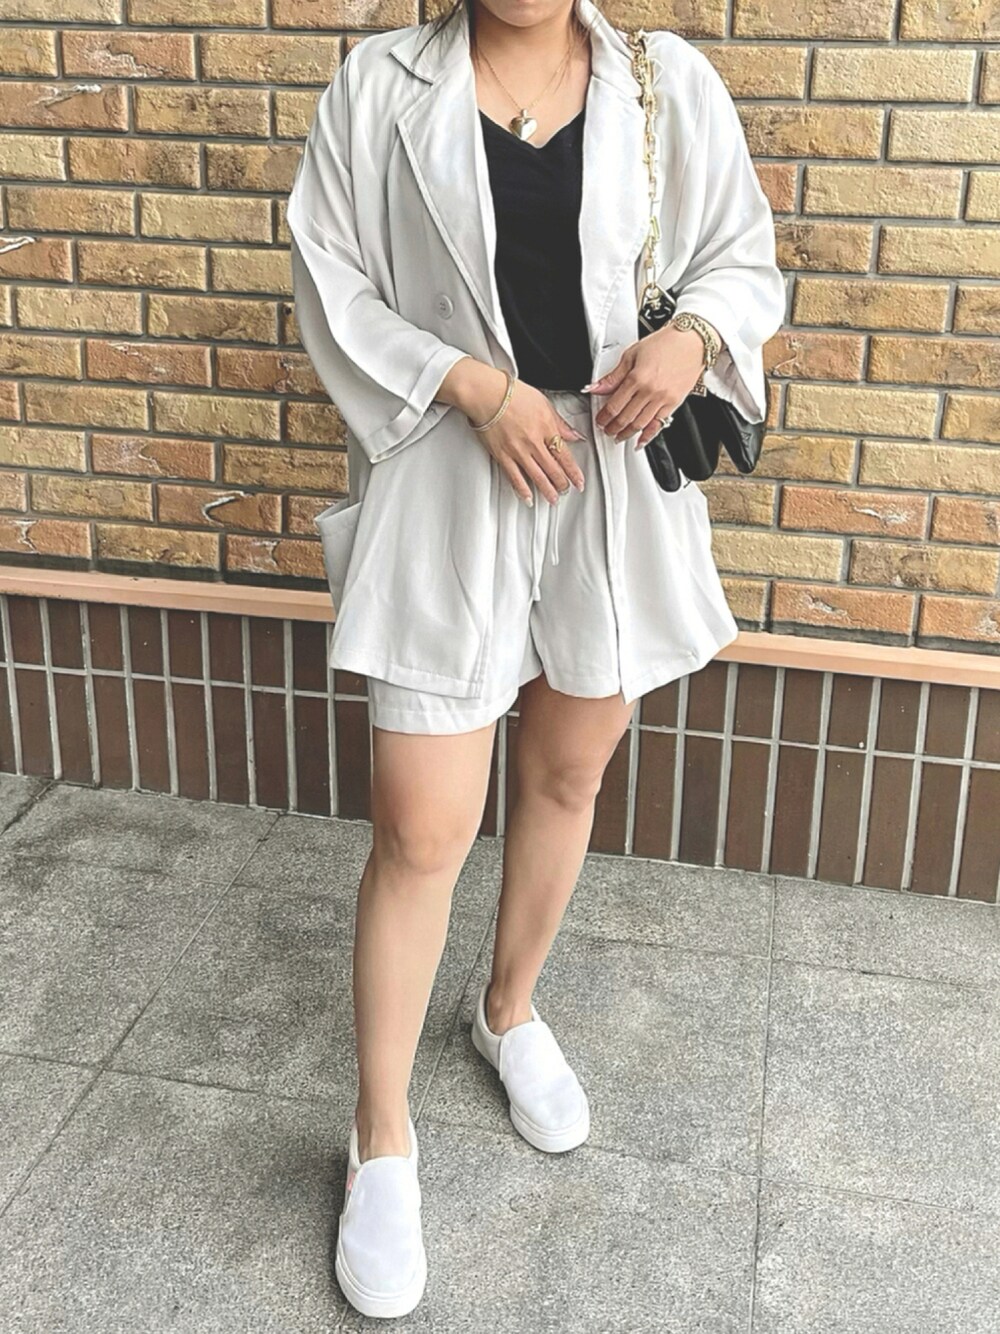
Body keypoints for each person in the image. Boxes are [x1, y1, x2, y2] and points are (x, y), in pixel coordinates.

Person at [285, 0, 785, 1317]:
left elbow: (742, 259)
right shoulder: (378, 88)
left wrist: (690, 339)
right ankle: (380, 1135)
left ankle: (505, 1010)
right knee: (421, 826)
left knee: (567, 775)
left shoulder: (666, 82)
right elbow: (332, 279)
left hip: (612, 478)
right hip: (456, 471)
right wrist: (471, 385)